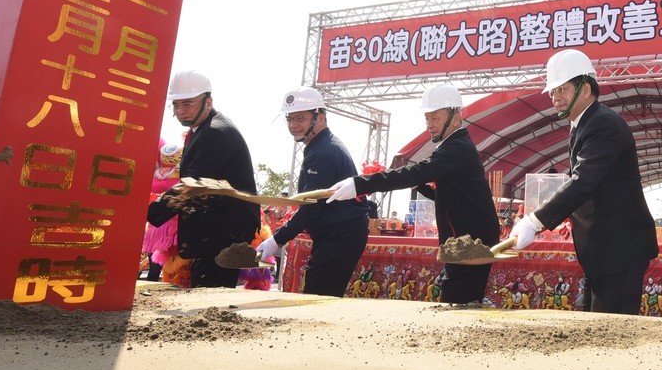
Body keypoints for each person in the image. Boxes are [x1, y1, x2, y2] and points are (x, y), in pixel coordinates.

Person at [509, 49, 658, 314]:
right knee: (595, 324)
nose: (556, 98)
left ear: (585, 89)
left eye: (562, 89)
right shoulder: (585, 124)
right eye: (553, 92)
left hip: (619, 250)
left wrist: (535, 221)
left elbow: (582, 181)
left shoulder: (603, 124)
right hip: (604, 252)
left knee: (612, 329)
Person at [326, 83, 500, 306]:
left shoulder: (457, 148)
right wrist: (418, 183)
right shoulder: (454, 146)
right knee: (459, 298)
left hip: (471, 241)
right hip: (466, 238)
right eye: (427, 119)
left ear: (456, 118)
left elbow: (417, 172)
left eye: (435, 118)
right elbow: (449, 195)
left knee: (460, 301)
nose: (430, 125)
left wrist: (361, 184)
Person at [147, 70, 259, 288]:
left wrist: (149, 212)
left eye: (188, 104)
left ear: (208, 101)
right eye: (176, 105)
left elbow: (192, 185)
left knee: (211, 293)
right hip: (215, 231)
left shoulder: (216, 133)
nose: (181, 111)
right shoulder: (203, 130)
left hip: (223, 233)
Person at [255, 88, 370, 297]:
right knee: (321, 293)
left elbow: (311, 207)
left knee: (318, 296)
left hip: (340, 235)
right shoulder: (320, 146)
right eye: (290, 119)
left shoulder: (324, 152)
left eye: (300, 118)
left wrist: (275, 240)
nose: (293, 125)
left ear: (320, 118)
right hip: (337, 233)